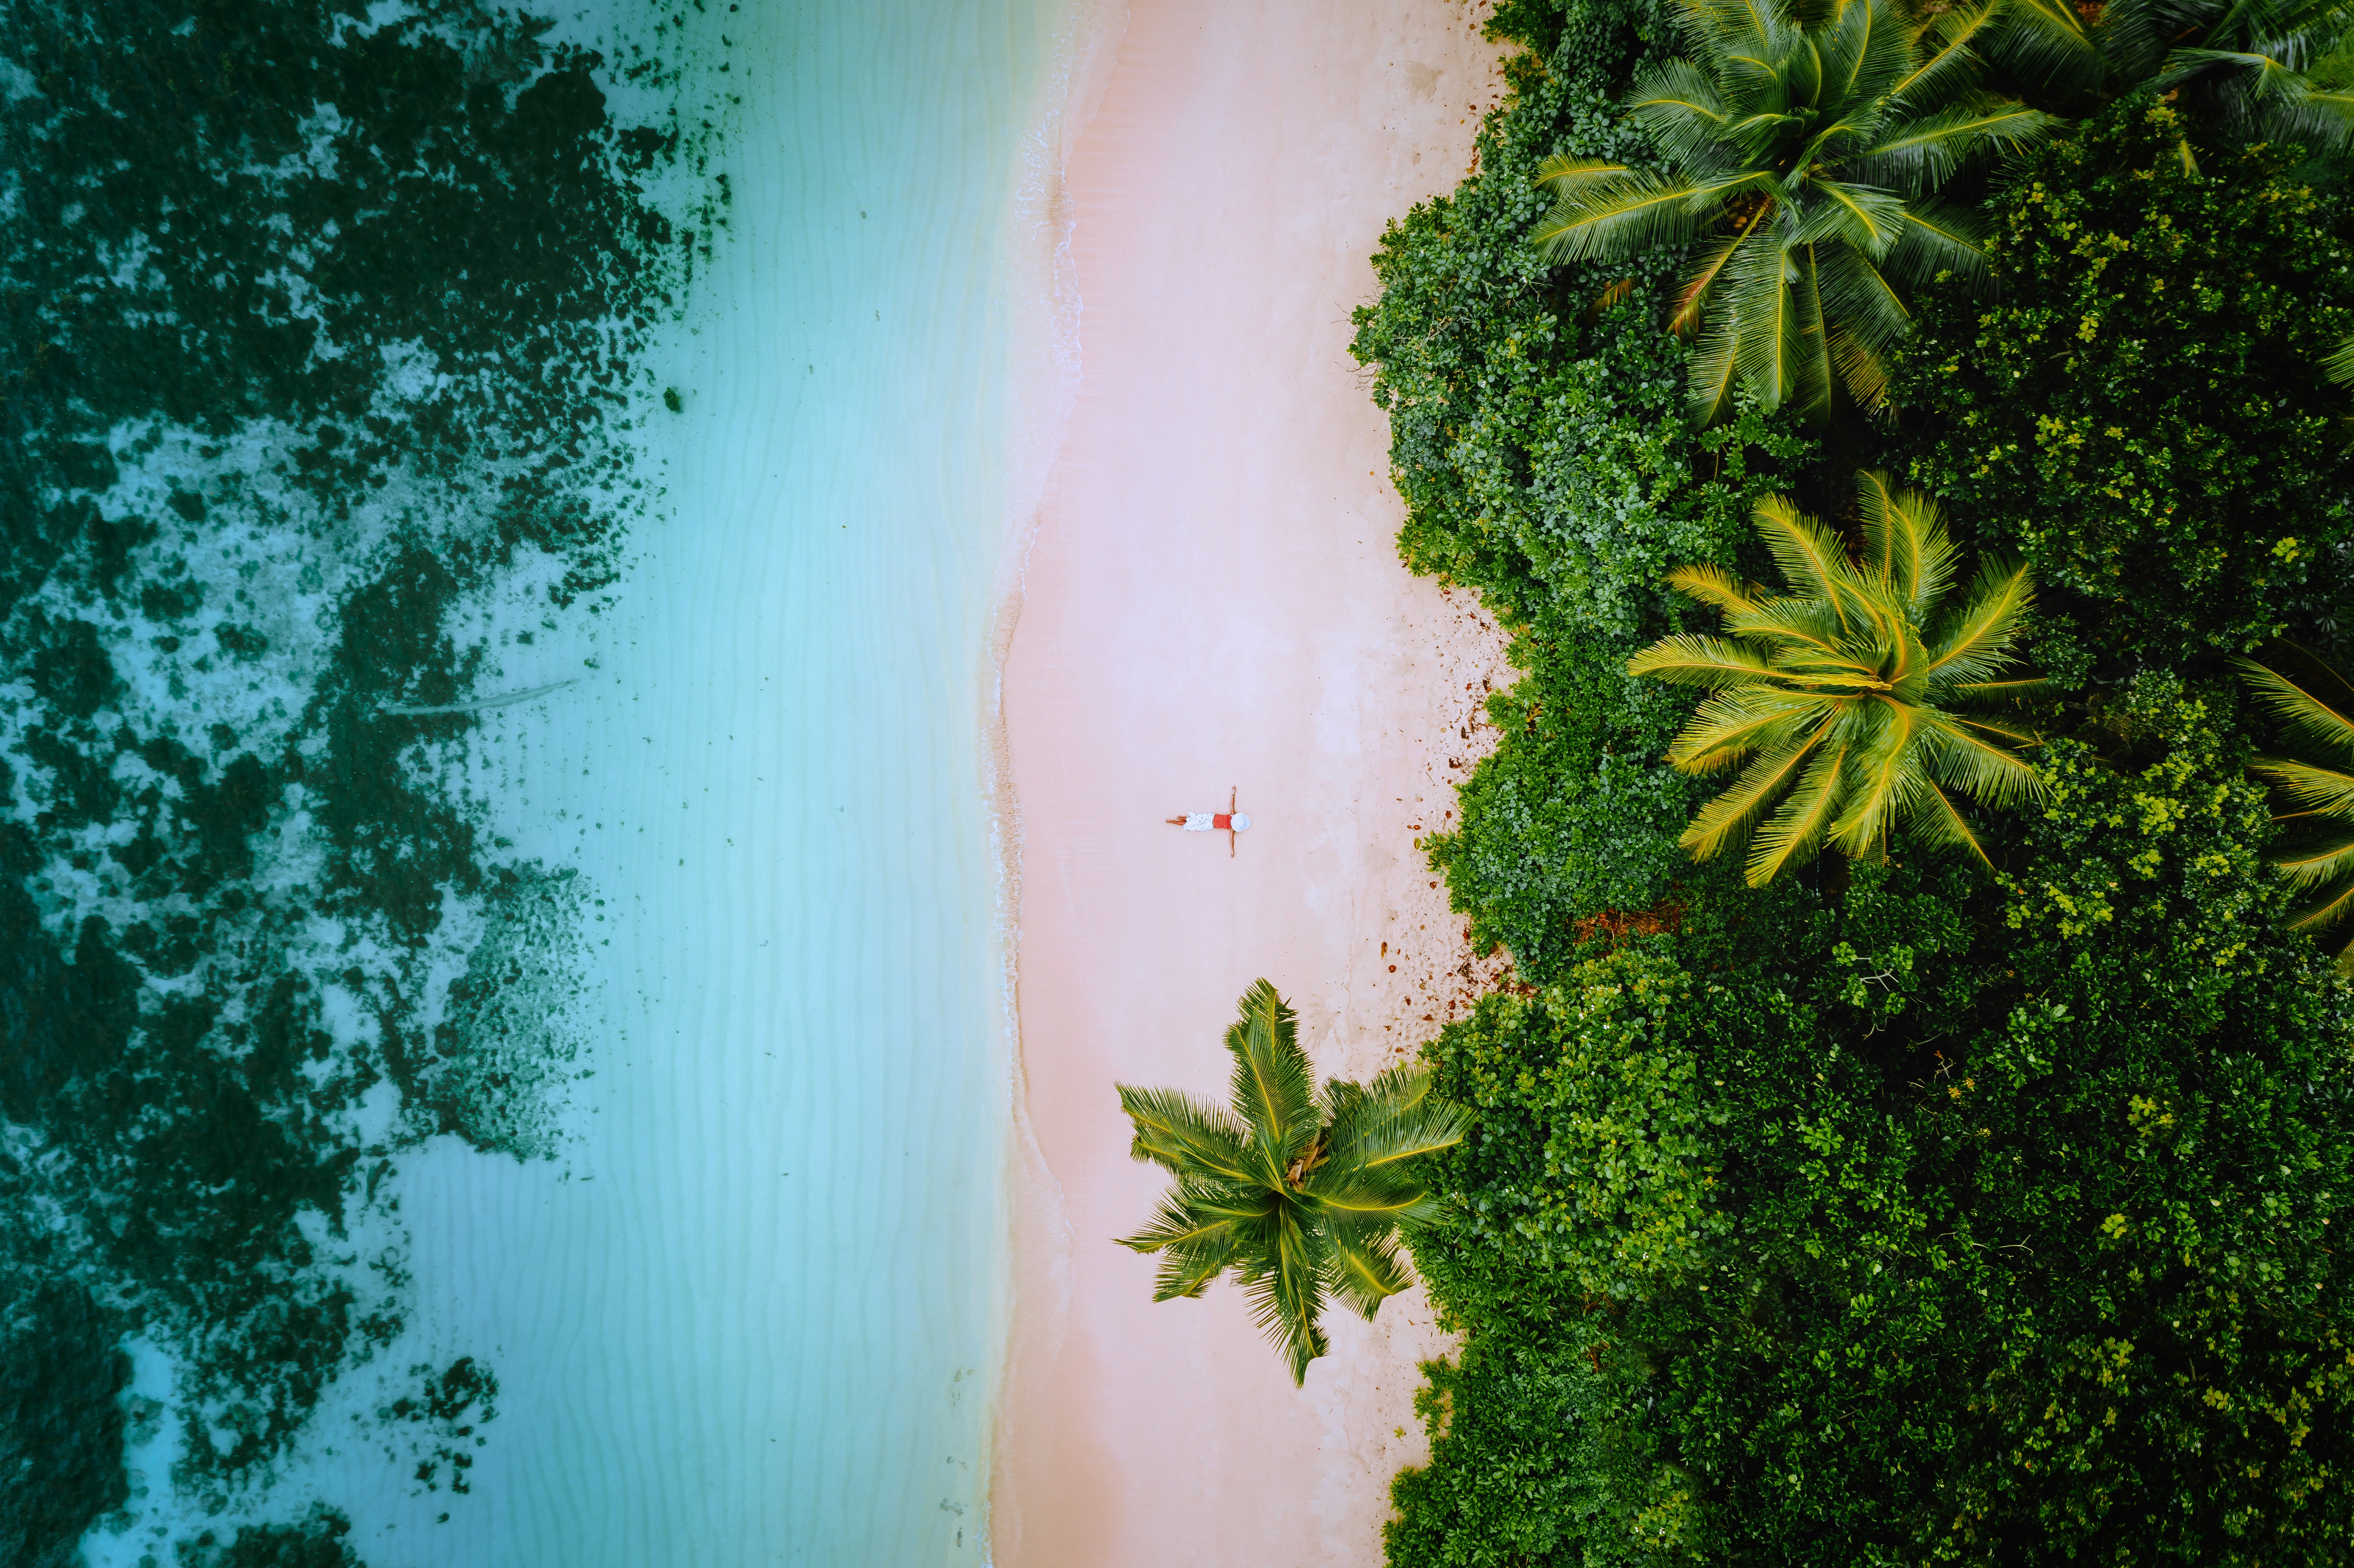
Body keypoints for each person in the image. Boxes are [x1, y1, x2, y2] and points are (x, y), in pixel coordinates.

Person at [1166, 789, 1252, 857]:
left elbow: (1231, 840)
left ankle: (1173, 822)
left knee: (1193, 827)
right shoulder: (1233, 815)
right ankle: (1184, 818)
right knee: (1196, 819)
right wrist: (1233, 794)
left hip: (1209, 826)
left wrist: (1232, 850)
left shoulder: (1232, 829)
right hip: (1210, 817)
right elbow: (1231, 804)